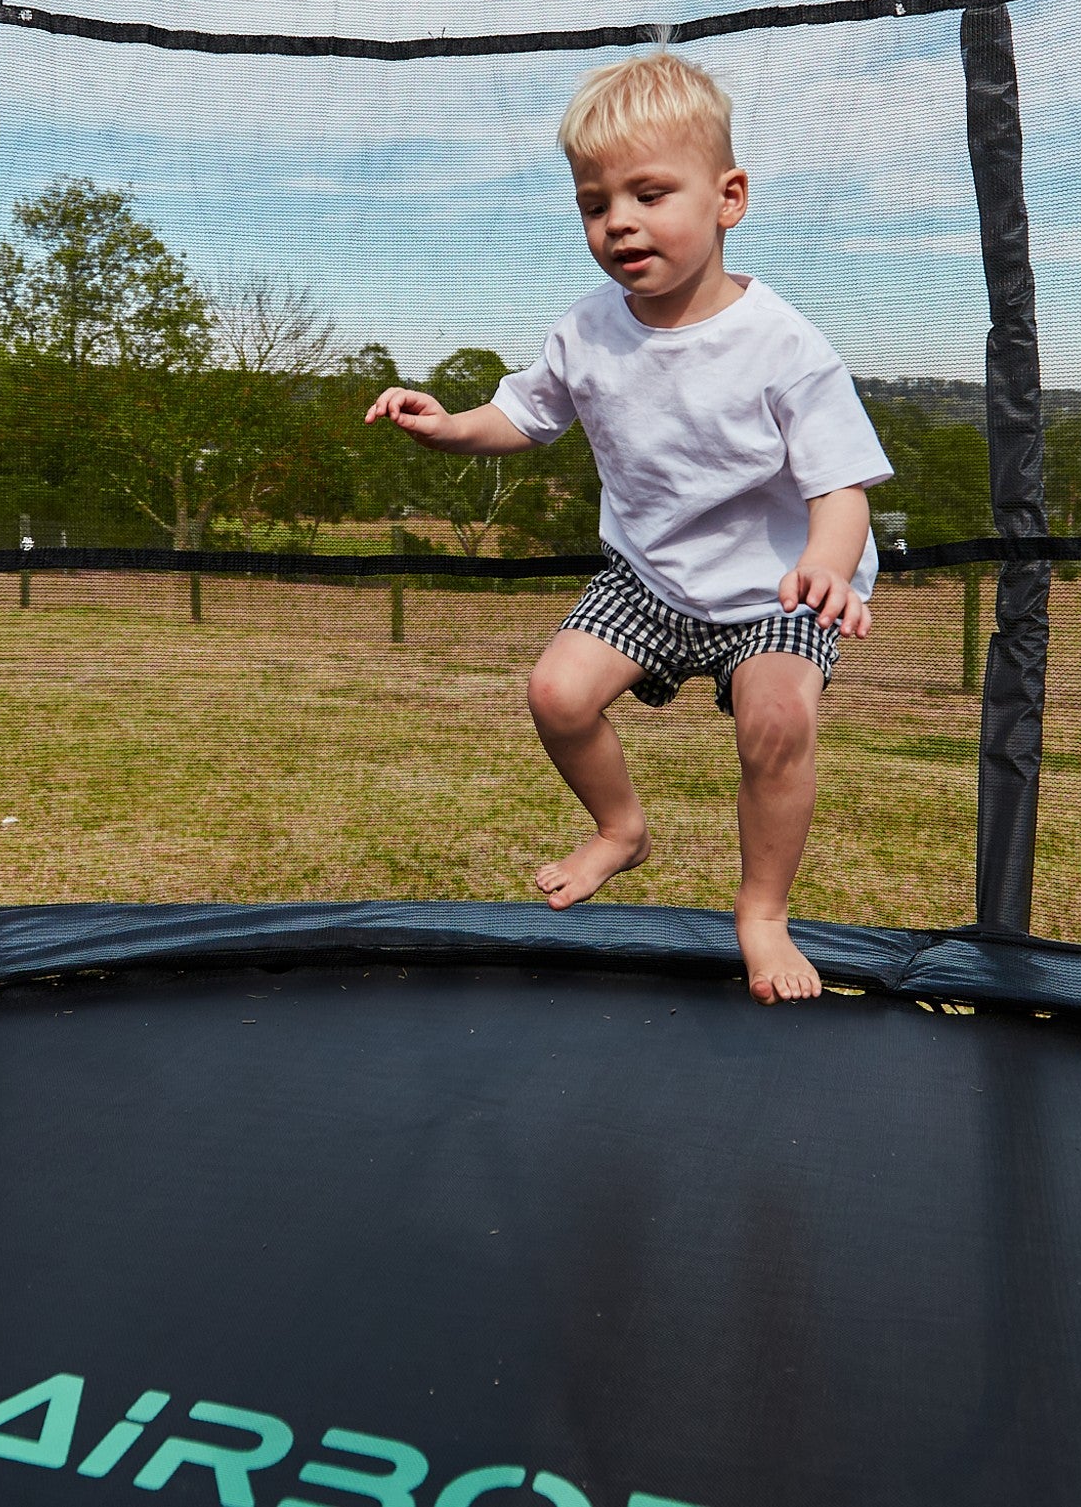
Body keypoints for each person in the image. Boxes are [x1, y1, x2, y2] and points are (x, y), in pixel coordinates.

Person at [366, 52, 892, 1002]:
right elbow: (522, 417)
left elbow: (844, 485)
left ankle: (763, 913)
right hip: (649, 577)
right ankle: (622, 830)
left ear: (728, 196)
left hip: (773, 586)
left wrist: (826, 564)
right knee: (557, 693)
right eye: (595, 202)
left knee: (777, 721)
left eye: (651, 193)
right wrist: (447, 427)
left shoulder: (783, 343)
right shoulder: (588, 330)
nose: (620, 222)